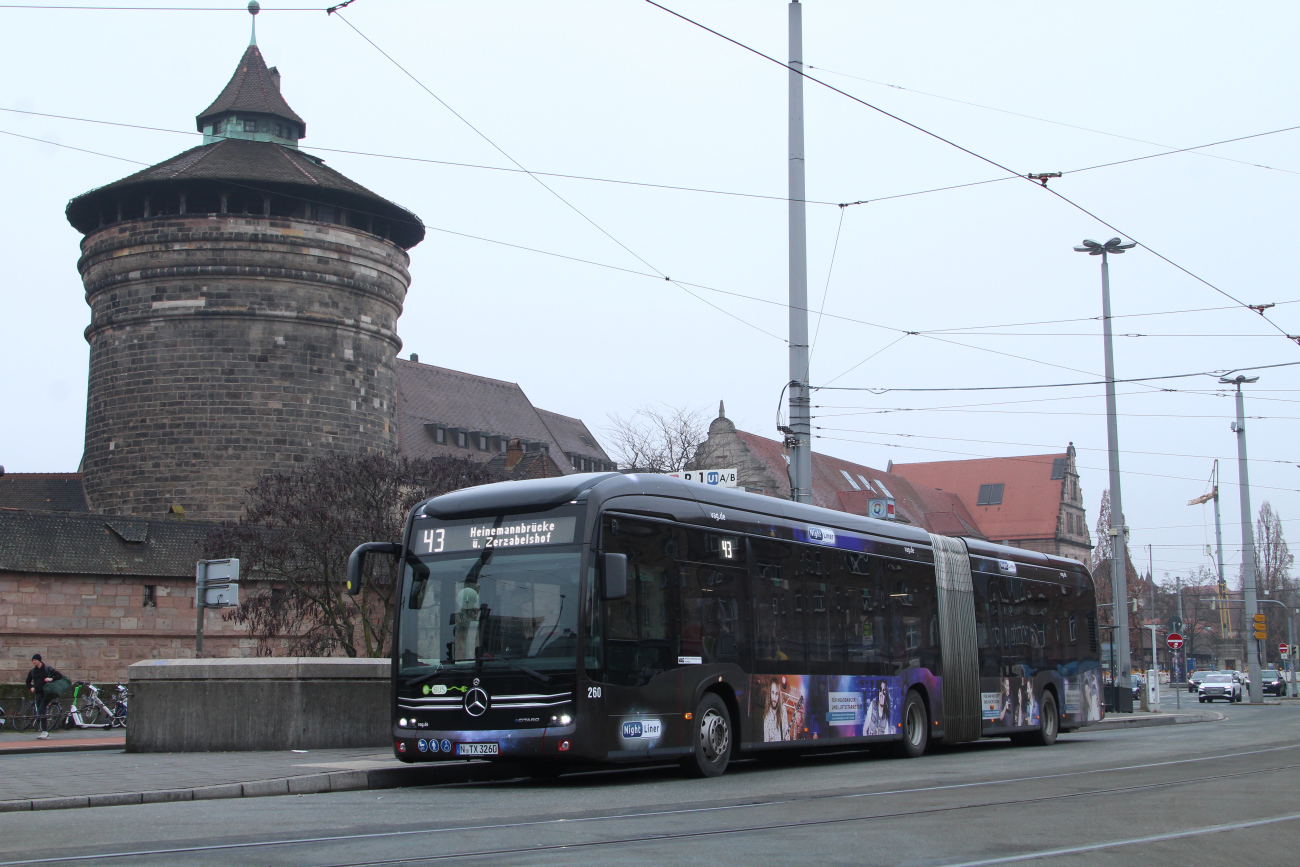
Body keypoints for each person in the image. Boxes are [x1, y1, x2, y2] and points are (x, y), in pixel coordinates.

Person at [25, 654, 64, 740]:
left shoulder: (47, 669)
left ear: (39, 660)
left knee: (42, 709)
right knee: (40, 711)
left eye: (35, 660)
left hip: (47, 693)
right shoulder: (32, 671)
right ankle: (43, 730)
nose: (34, 662)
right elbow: (28, 681)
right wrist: (31, 687)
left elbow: (59, 675)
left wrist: (51, 679)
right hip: (38, 694)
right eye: (33, 660)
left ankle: (45, 732)